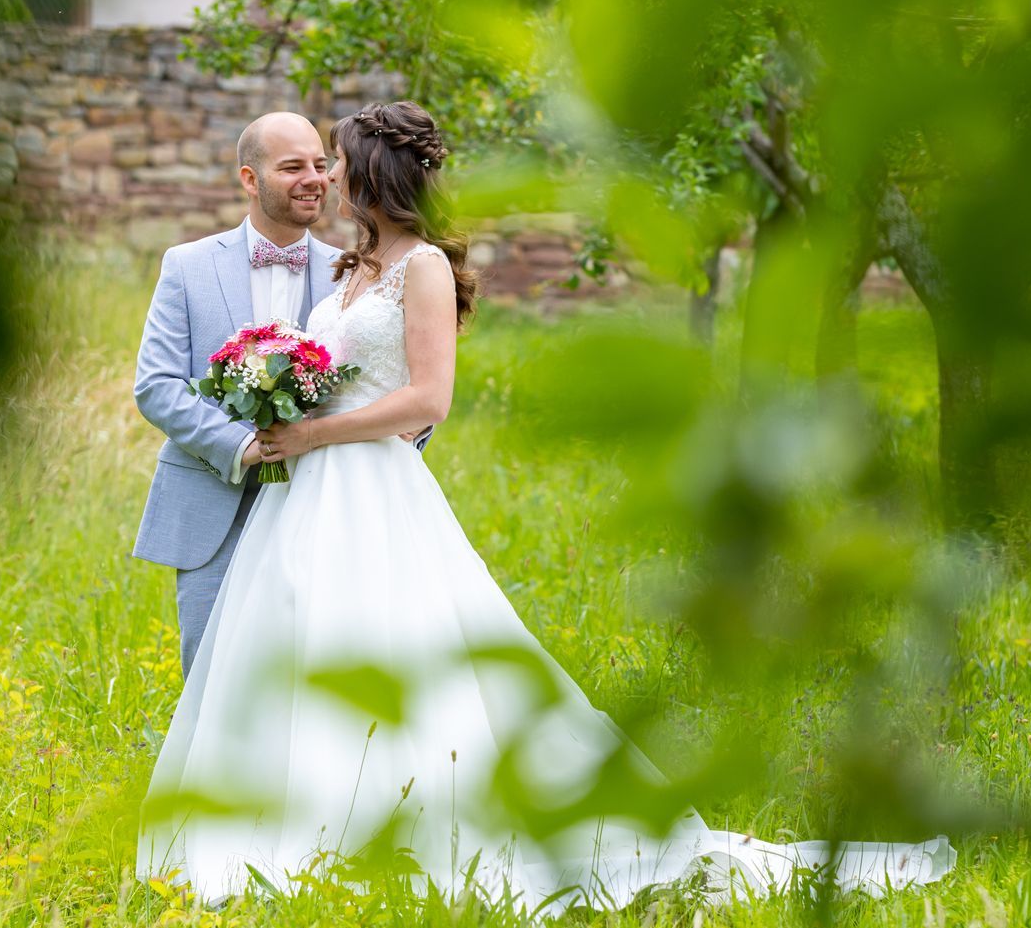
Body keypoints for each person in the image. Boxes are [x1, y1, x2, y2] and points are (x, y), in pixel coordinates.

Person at [137, 101, 955, 912]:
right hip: (307, 498)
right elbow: (202, 378)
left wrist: (319, 433)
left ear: (372, 173)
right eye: (308, 165)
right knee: (292, 647)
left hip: (368, 487)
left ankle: (404, 826)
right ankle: (287, 824)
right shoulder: (351, 268)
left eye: (337, 163)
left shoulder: (421, 266)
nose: (327, 177)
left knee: (399, 648)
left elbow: (431, 400)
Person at [132, 111, 340, 676]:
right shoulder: (187, 265)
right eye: (292, 166)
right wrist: (243, 448)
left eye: (321, 166)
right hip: (212, 497)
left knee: (309, 675)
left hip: (318, 499)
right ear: (250, 179)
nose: (313, 178)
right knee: (210, 673)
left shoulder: (352, 273)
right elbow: (156, 385)